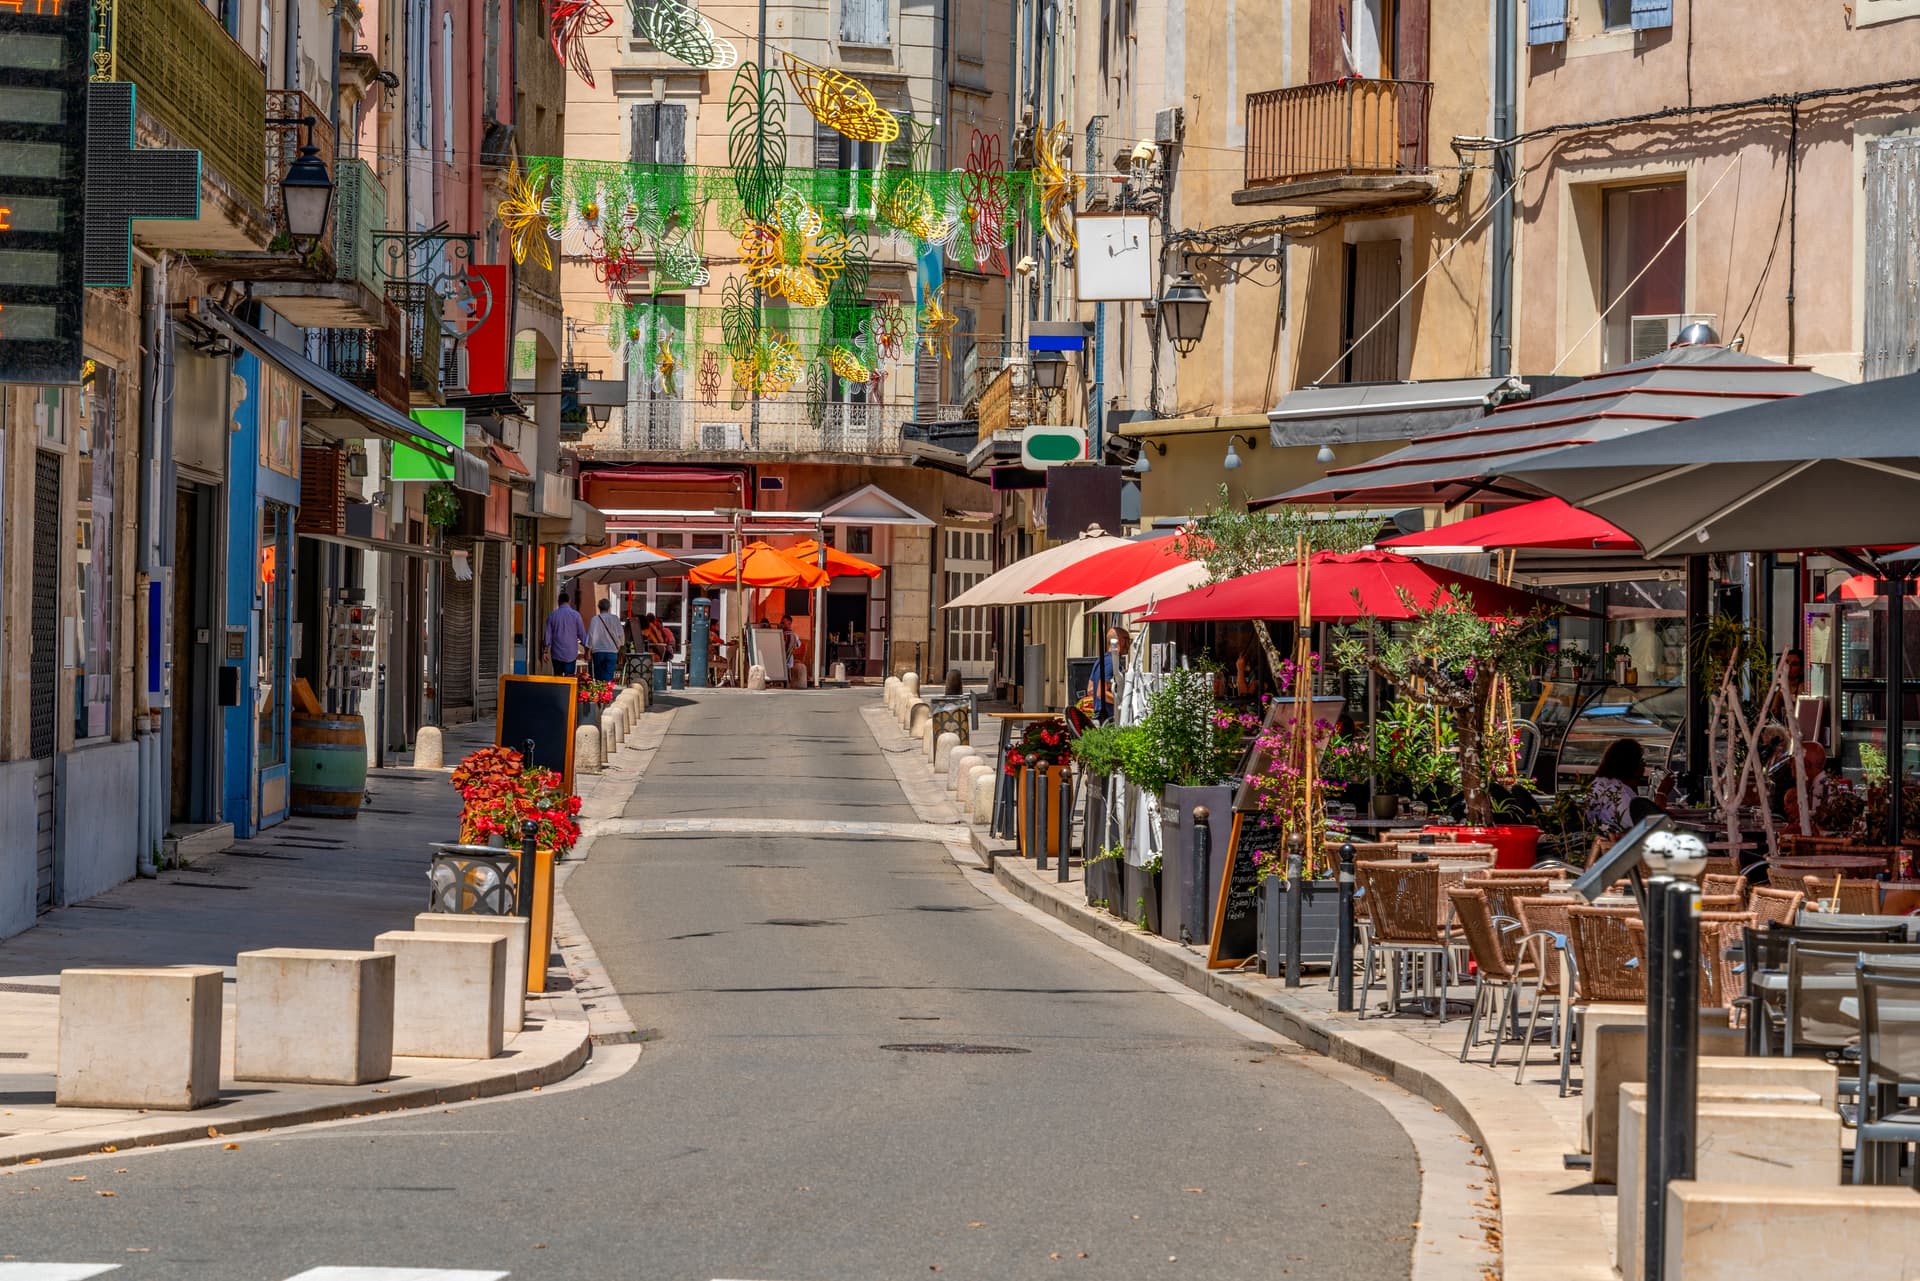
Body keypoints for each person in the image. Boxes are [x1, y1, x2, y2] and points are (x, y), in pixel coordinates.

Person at [1583, 737, 1665, 835]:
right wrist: (1661, 794)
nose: (1644, 765)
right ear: (1631, 764)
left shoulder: (1600, 783)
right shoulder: (1621, 796)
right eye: (1641, 761)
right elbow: (1649, 831)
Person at [1086, 627, 1132, 722]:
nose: (1129, 645)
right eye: (1129, 641)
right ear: (1121, 641)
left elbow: (1090, 690)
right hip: (1109, 719)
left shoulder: (1101, 661)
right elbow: (1101, 693)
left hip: (1099, 718)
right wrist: (1124, 703)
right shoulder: (1112, 663)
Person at [542, 592, 588, 677]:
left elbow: (547, 635)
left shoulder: (552, 615)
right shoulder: (576, 615)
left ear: (558, 601)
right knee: (569, 678)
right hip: (571, 653)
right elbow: (582, 634)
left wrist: (545, 651)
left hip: (556, 653)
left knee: (557, 677)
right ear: (569, 601)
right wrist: (586, 650)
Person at [586, 598, 624, 682]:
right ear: (609, 607)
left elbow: (591, 635)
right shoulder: (615, 618)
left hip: (598, 651)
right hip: (612, 651)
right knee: (609, 676)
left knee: (598, 676)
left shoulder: (595, 619)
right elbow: (621, 634)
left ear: (599, 607)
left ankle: (600, 689)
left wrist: (588, 651)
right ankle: (608, 689)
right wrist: (619, 646)